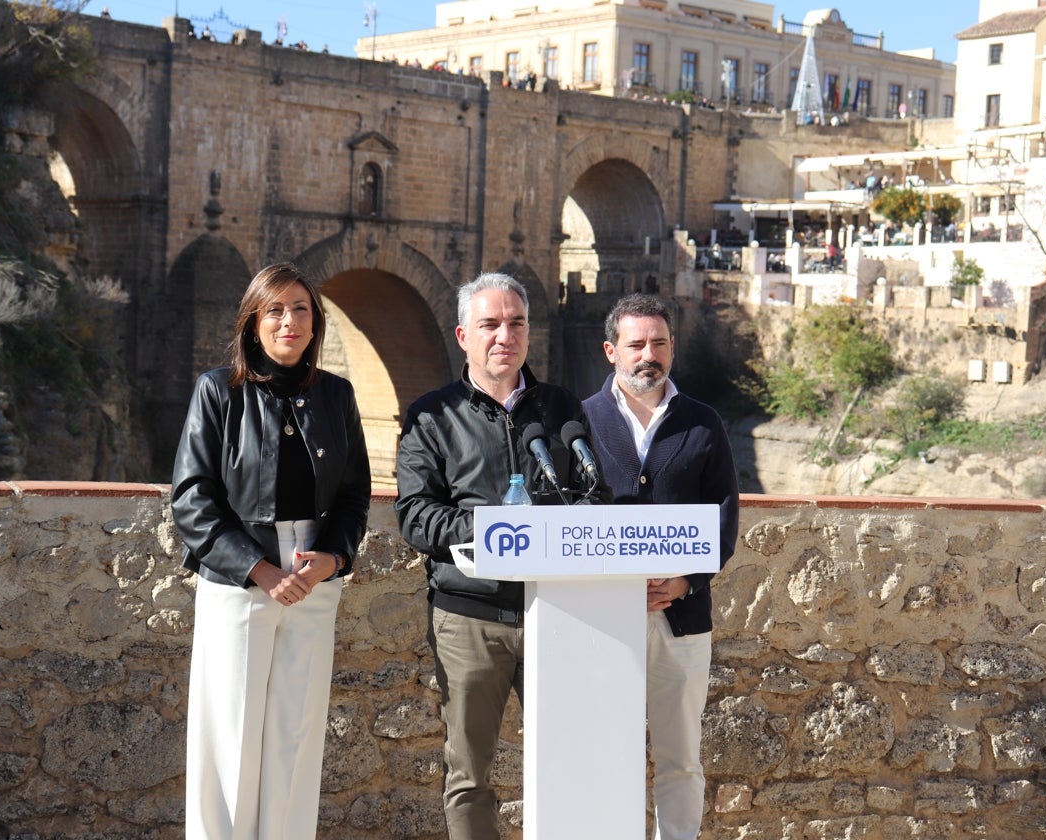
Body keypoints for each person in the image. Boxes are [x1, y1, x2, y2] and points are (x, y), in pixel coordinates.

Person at [395, 272, 601, 840]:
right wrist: (501, 530)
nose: (503, 336)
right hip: (469, 616)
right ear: (463, 335)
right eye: (489, 325)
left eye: (516, 324)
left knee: (571, 760)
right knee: (469, 776)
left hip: (557, 613)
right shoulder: (431, 417)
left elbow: (591, 494)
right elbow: (415, 516)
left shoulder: (560, 407)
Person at [171, 262, 371, 840]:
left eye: (301, 309)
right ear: (253, 322)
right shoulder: (218, 391)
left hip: (313, 580)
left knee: (295, 739)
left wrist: (334, 559)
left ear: (316, 324)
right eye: (276, 310)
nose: (290, 321)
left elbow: (356, 493)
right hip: (239, 580)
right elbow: (192, 499)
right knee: (229, 737)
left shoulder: (337, 395)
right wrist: (257, 570)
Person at [582, 294, 739, 840]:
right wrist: (616, 584)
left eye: (660, 343)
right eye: (636, 344)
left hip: (683, 617)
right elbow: (562, 518)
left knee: (681, 756)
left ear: (672, 349)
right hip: (601, 618)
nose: (649, 354)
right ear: (611, 351)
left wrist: (685, 580)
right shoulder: (579, 421)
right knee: (607, 750)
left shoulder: (704, 423)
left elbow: (724, 520)